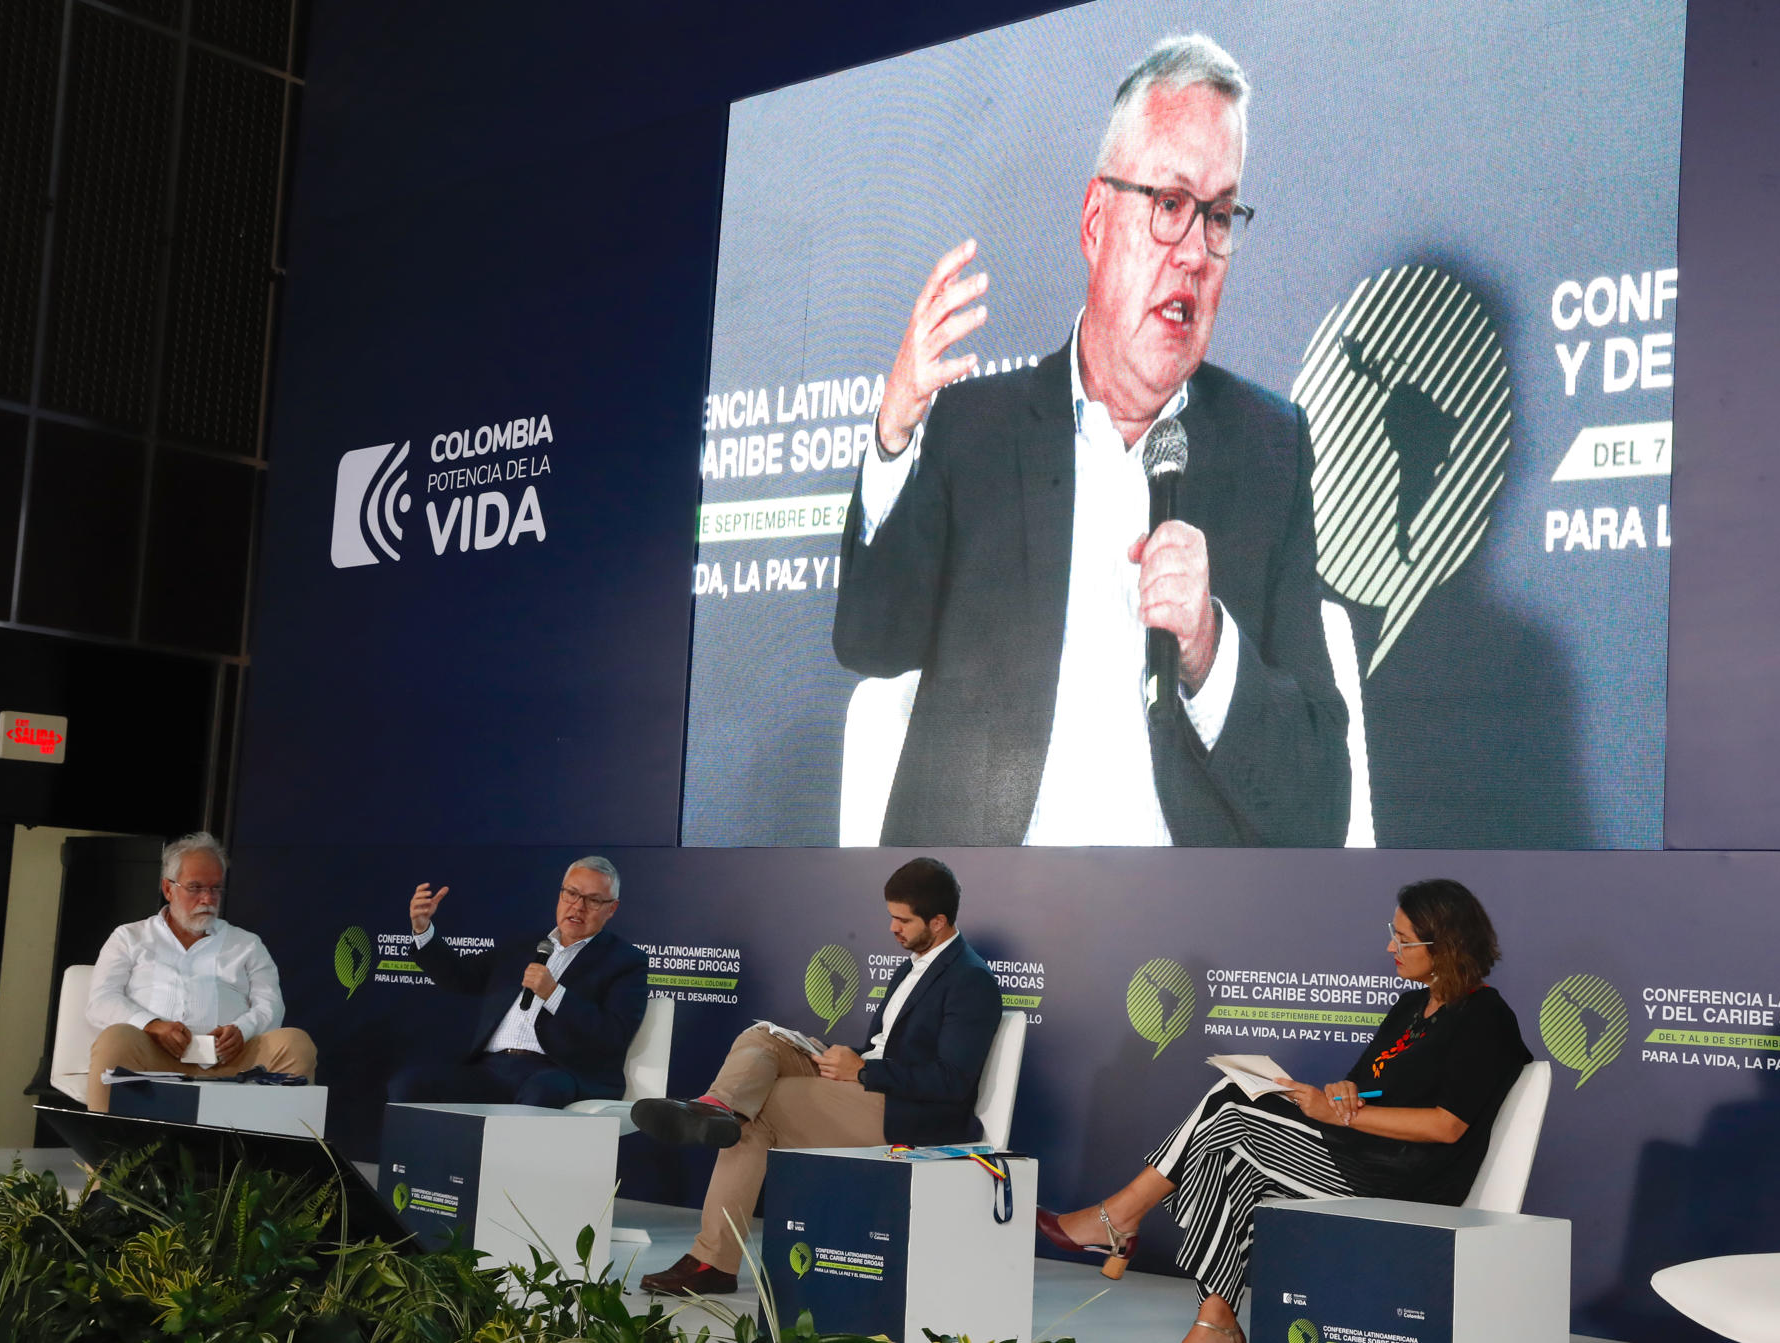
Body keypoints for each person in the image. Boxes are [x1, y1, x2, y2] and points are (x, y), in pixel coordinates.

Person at [833, 32, 1348, 848]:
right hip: (985, 925)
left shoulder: (1267, 449)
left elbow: (1321, 806)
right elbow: (868, 640)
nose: (1195, 254)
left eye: (1219, 216)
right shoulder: (978, 431)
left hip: (1179, 950)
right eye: (1171, 205)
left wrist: (1210, 651)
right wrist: (897, 432)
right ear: (1096, 221)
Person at [1037, 879, 1533, 1342]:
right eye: (1393, 935)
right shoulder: (1410, 1007)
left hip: (1407, 1181)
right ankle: (1214, 1320)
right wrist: (1341, 1093)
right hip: (1357, 1155)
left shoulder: (1485, 1017)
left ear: (1443, 946)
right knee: (1233, 1158)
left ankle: (1120, 1220)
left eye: (1402, 939)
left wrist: (1341, 1114)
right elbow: (1359, 1086)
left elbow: (1447, 1126)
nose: (1390, 949)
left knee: (1230, 1104)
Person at [632, 856, 1002, 1296]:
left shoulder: (970, 979)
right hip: (871, 1081)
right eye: (890, 917)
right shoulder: (913, 963)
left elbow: (952, 1081)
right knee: (763, 1038)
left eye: (902, 920)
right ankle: (713, 1108)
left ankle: (712, 1261)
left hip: (909, 1115)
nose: (892, 928)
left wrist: (863, 1070)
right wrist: (849, 1062)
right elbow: (891, 1045)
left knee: (758, 1112)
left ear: (938, 922)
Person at [387, 856, 649, 1109]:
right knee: (412, 1084)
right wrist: (423, 929)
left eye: (593, 900)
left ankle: (511, 1157)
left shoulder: (624, 961)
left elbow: (614, 1034)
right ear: (560, 895)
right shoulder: (522, 945)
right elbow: (460, 977)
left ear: (611, 908)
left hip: (560, 1071)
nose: (578, 907)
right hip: (493, 1069)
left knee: (544, 1089)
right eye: (571, 894)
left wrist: (554, 994)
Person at [86, 832, 316, 1111]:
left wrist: (242, 1031)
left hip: (232, 1059)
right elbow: (101, 1001)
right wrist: (152, 1025)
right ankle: (107, 1155)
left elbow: (271, 1005)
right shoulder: (129, 937)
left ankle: (275, 1153)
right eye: (195, 888)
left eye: (215, 888)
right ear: (168, 889)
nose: (207, 898)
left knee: (295, 1043)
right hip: (154, 1054)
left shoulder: (247, 944)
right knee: (115, 1040)